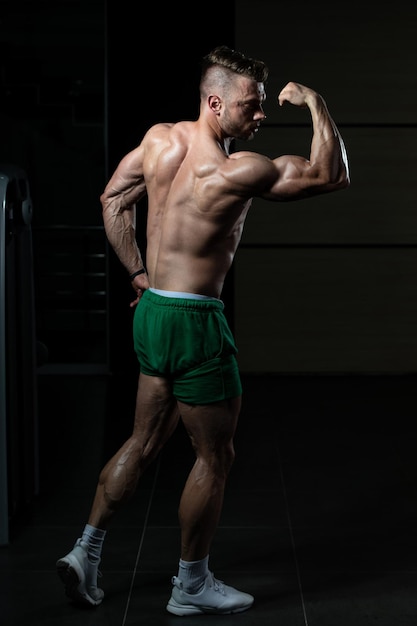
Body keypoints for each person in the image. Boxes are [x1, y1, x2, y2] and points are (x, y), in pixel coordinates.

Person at [56, 44, 350, 616]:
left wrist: (139, 273)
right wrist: (315, 102)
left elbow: (113, 199)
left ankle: (84, 552)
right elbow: (330, 174)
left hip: (153, 312)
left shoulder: (158, 140)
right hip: (195, 319)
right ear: (215, 103)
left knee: (142, 441)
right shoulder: (236, 169)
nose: (261, 115)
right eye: (252, 105)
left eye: (264, 105)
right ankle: (190, 584)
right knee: (214, 456)